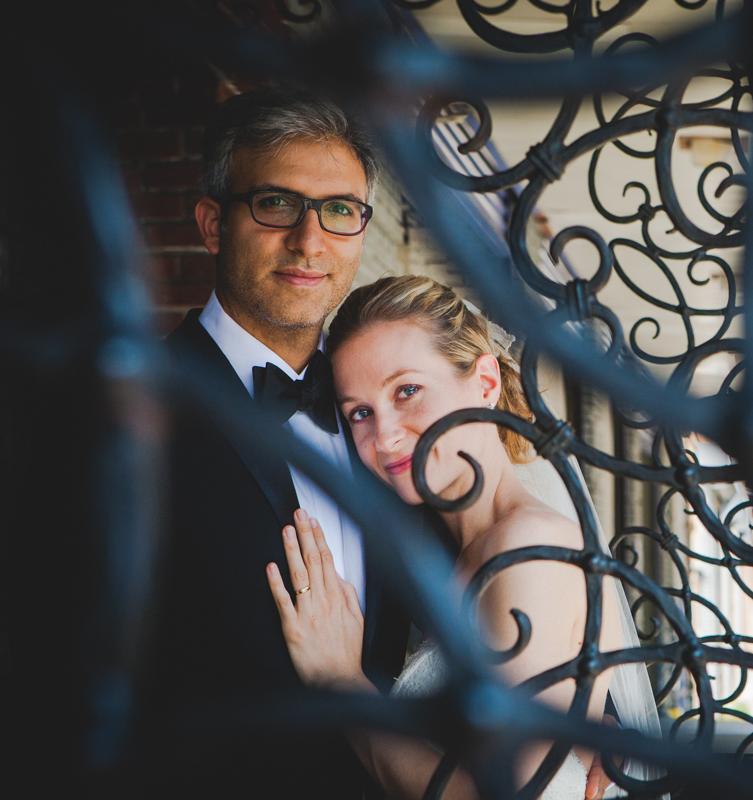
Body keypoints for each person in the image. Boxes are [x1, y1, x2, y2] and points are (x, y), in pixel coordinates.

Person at [263, 276, 661, 799]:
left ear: (486, 384)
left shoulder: (528, 554)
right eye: (360, 412)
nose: (384, 437)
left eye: (407, 391)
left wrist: (343, 683)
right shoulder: (429, 543)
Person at [143, 84, 418, 799]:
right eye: (275, 204)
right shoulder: (131, 408)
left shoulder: (384, 415)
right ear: (212, 224)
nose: (309, 241)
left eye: (339, 211)